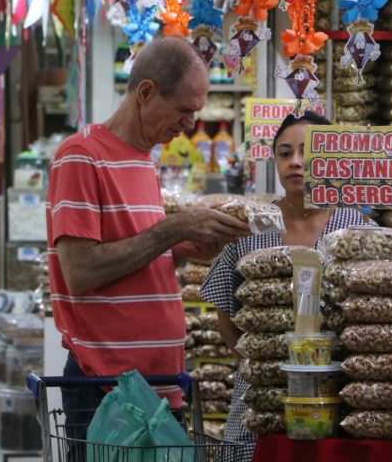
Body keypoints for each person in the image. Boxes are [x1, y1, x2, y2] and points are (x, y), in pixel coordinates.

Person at [45, 37, 251, 454]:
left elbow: (128, 260)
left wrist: (179, 249)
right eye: (184, 111)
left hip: (158, 385)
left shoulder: (144, 159)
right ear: (145, 93)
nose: (191, 125)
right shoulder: (80, 156)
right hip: (108, 388)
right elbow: (81, 272)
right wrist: (172, 230)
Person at [199, 111, 372, 461]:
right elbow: (224, 309)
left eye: (308, 152)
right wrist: (257, 367)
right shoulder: (251, 223)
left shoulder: (358, 227)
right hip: (263, 396)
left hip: (338, 391)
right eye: (285, 153)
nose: (295, 162)